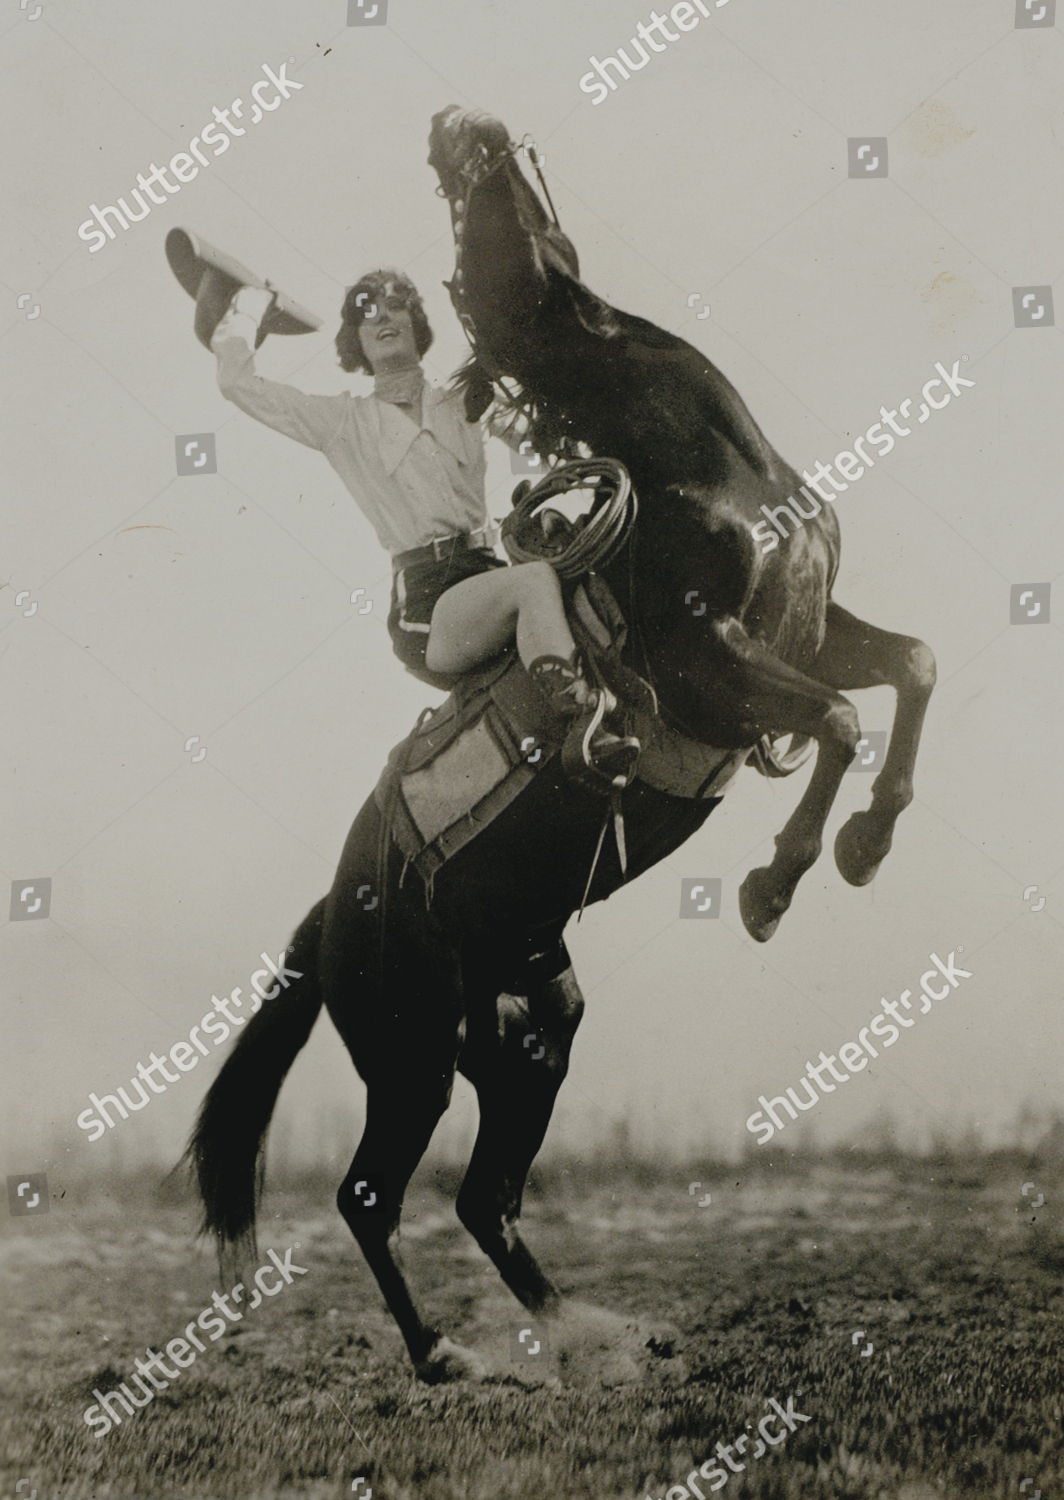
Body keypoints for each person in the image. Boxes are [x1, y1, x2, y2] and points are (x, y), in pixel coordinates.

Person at [209, 269, 637, 789]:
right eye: (369, 312)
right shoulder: (343, 422)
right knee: (535, 582)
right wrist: (252, 303)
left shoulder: (467, 402)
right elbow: (237, 383)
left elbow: (548, 446)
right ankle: (584, 722)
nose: (384, 316)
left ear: (417, 323)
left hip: (491, 575)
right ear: (356, 342)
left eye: (396, 306)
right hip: (430, 608)